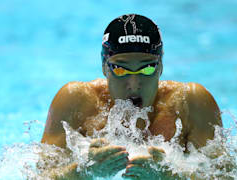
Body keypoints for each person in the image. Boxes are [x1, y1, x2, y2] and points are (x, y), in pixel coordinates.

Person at [40, 14, 224, 179]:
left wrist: (169, 176)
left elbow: (227, 176)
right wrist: (83, 171)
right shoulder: (76, 101)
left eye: (147, 68)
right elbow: (39, 176)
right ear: (104, 67)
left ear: (160, 67)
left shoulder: (190, 103)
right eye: (120, 69)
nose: (134, 84)